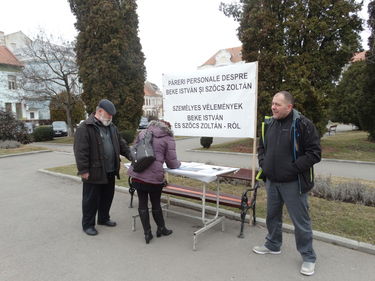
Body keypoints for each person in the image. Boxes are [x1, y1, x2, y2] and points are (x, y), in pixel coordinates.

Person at [253, 91, 321, 276]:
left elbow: (315, 153)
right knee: (272, 216)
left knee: (301, 222)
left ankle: (308, 257)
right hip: (272, 181)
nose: (273, 107)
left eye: (278, 104)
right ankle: (273, 245)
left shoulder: (302, 124)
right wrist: (263, 164)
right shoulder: (269, 123)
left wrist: (292, 168)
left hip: (294, 183)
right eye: (273, 103)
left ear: (289, 107)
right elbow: (262, 147)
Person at [74, 99, 132, 236]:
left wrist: (131, 155)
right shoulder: (85, 127)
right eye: (108, 114)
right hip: (94, 171)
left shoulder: (112, 127)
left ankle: (103, 218)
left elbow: (121, 144)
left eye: (112, 115)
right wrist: (83, 170)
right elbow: (80, 151)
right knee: (91, 199)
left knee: (107, 196)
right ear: (99, 111)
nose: (110, 117)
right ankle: (88, 224)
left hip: (110, 169)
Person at [128, 120, 180, 244]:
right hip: (154, 177)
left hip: (138, 173)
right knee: (156, 203)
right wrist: (179, 163)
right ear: (167, 128)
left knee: (142, 203)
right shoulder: (168, 138)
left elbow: (134, 151)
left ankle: (147, 233)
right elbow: (172, 163)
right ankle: (161, 229)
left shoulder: (143, 133)